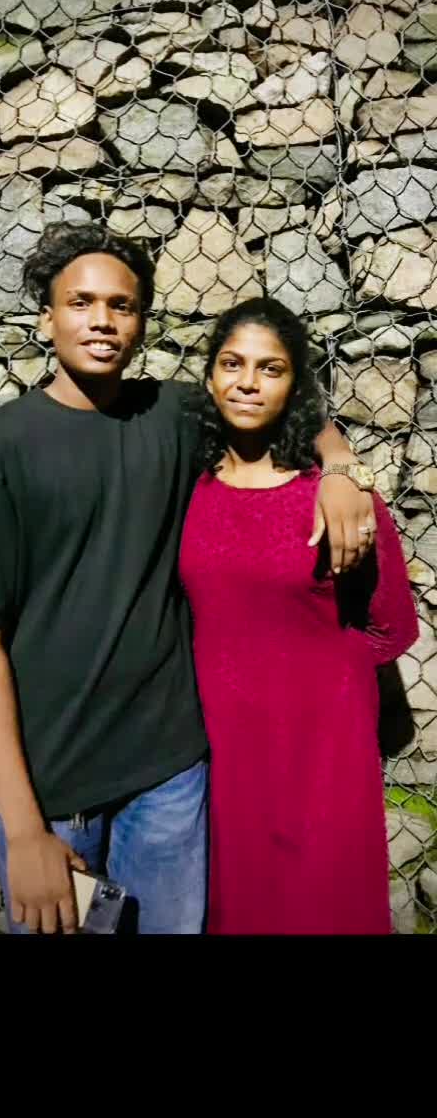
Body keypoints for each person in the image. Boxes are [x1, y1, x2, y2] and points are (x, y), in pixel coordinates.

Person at [0, 222, 377, 936]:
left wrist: (340, 468)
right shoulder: (0, 447)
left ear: (142, 321)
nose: (102, 321)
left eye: (122, 305)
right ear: (46, 318)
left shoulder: (173, 415)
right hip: (54, 790)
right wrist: (22, 828)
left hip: (169, 777)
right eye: (81, 302)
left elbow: (287, 407)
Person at [179, 299, 419, 934]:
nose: (248, 383)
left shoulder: (334, 496)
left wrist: (317, 678)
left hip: (322, 746)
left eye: (271, 368)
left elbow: (392, 623)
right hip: (224, 747)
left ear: (294, 385)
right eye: (232, 364)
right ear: (210, 376)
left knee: (324, 904)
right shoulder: (186, 480)